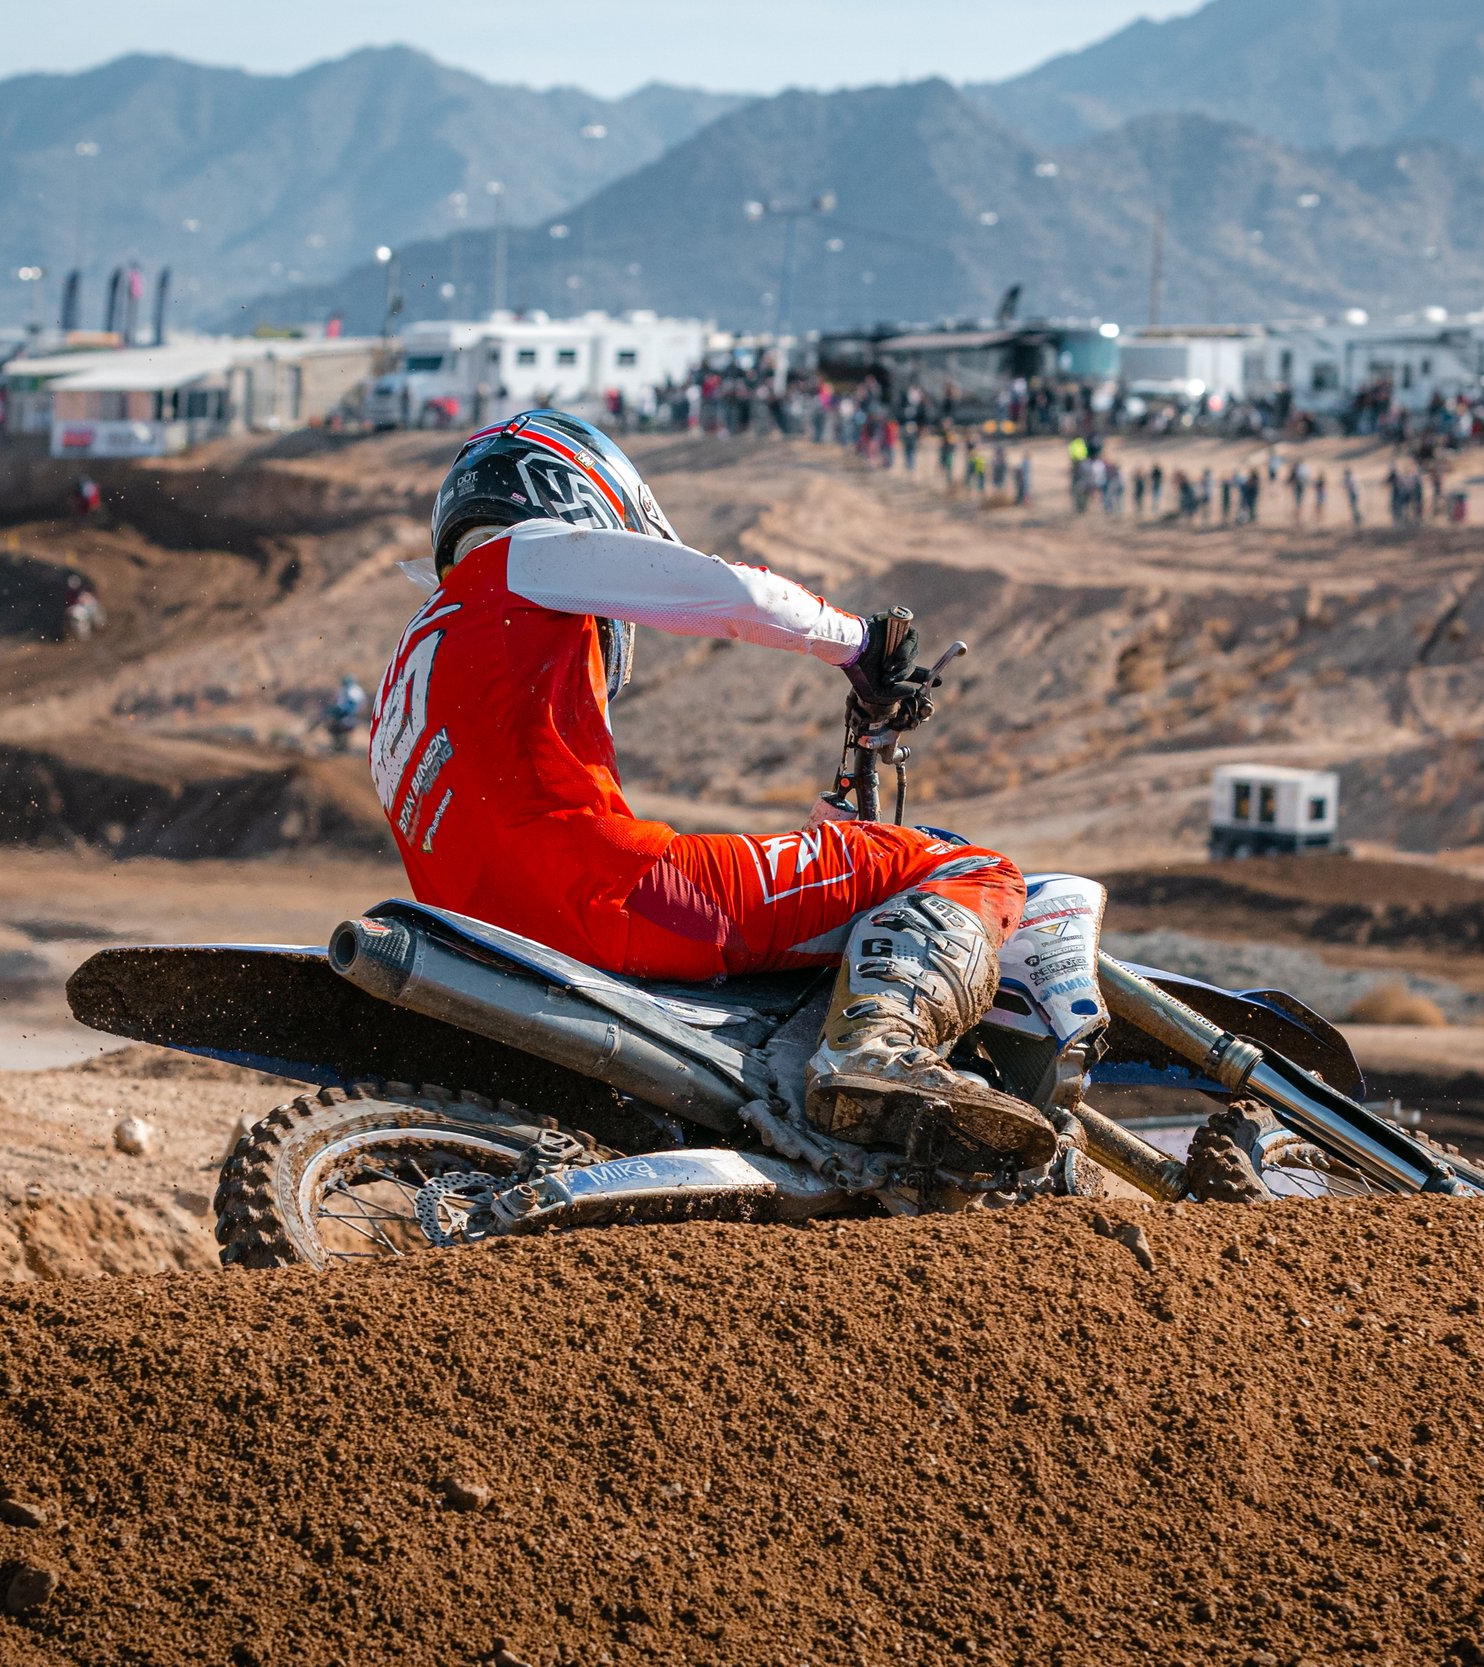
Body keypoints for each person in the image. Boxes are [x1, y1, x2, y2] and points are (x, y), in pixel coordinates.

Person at [372, 410, 1052, 1165]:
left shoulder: (407, 667)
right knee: (967, 867)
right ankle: (875, 1049)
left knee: (834, 865)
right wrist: (861, 645)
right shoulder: (520, 557)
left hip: (494, 949)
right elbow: (735, 596)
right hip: (621, 895)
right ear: (573, 492)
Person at [324, 673, 366, 752]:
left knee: (339, 725)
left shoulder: (354, 690)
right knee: (331, 723)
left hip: (349, 716)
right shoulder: (344, 690)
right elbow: (336, 702)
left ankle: (341, 745)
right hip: (342, 715)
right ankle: (337, 745)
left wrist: (343, 712)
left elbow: (352, 705)